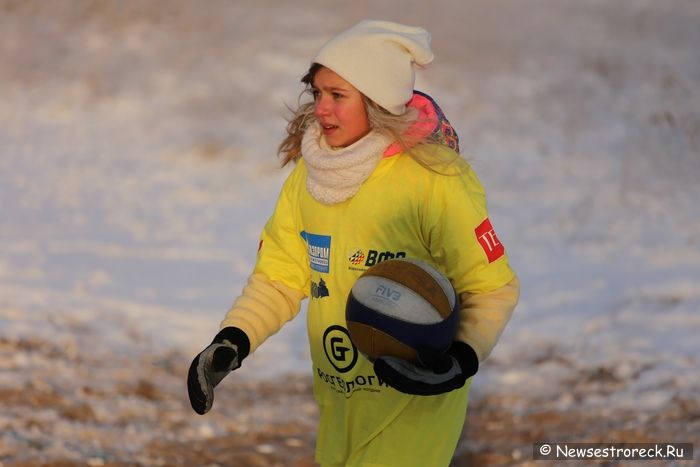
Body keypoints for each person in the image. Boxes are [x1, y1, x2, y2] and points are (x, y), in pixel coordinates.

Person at [187, 19, 520, 467]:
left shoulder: (435, 179)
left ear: (377, 102)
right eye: (318, 93)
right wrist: (233, 340)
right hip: (340, 400)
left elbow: (492, 286)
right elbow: (280, 277)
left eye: (338, 96)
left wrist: (460, 359)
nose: (322, 109)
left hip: (411, 408)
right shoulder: (309, 177)